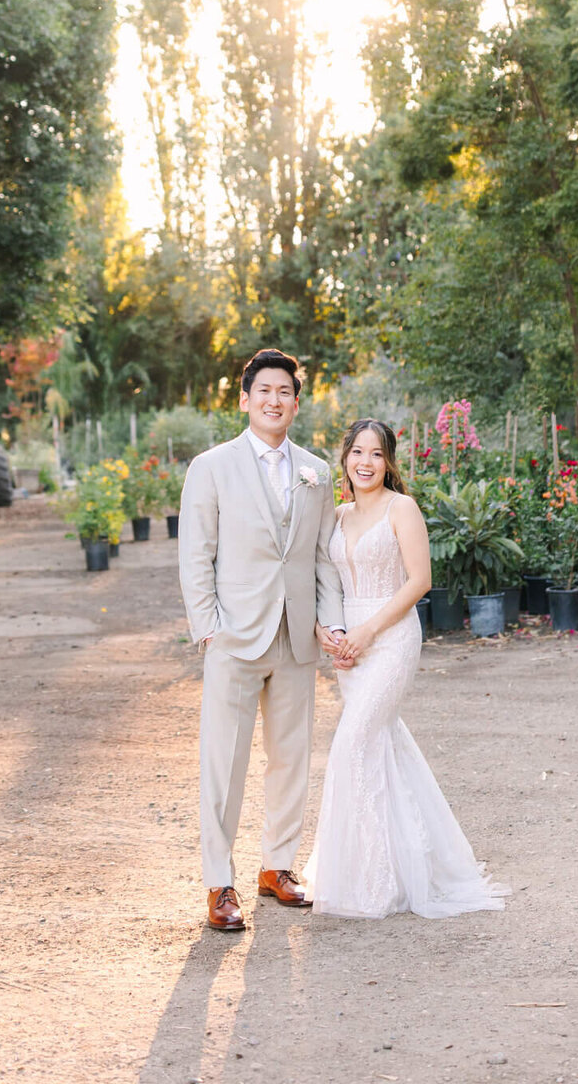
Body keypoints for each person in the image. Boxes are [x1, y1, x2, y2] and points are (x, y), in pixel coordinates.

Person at [307, 419, 509, 918]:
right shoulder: (335, 515)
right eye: (357, 452)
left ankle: (376, 882)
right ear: (345, 459)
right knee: (380, 745)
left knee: (352, 744)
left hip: (391, 638)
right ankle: (402, 863)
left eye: (376, 454)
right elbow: (324, 584)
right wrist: (324, 632)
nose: (365, 462)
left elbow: (419, 581)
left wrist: (368, 632)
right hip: (346, 648)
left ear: (389, 461)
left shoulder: (403, 509)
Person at [178, 348, 348, 932]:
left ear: (296, 404)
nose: (275, 401)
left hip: (295, 636)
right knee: (223, 762)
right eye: (265, 391)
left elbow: (325, 557)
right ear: (245, 399)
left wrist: (333, 622)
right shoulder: (211, 466)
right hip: (234, 636)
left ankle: (277, 867)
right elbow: (196, 553)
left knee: (292, 756)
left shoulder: (317, 471)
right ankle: (218, 883)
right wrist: (208, 627)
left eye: (286, 393)